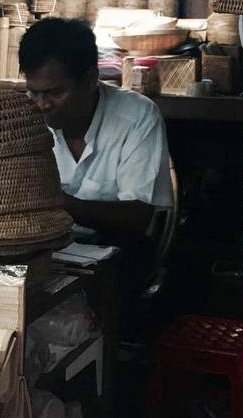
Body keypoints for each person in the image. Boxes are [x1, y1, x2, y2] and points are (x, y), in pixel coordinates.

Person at [18, 17, 172, 307]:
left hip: (116, 252)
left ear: (90, 79)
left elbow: (139, 216)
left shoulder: (136, 117)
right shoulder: (26, 119)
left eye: (55, 93)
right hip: (49, 248)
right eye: (33, 92)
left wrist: (58, 202)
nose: (42, 105)